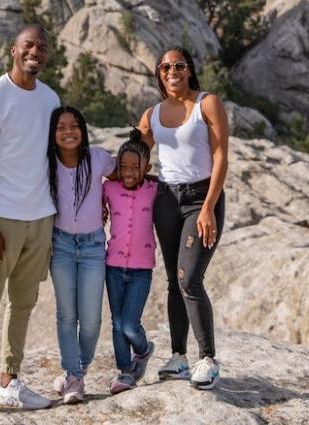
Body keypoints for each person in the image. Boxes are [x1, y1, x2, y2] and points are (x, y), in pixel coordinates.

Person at [0, 25, 60, 413]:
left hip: (40, 218)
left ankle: (10, 381)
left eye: (41, 46)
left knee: (24, 302)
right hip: (1, 217)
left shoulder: (51, 99)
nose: (35, 51)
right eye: (28, 45)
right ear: (13, 51)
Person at [137, 46, 230, 390]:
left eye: (178, 65)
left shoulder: (207, 103)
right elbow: (136, 158)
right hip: (166, 199)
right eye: (165, 68)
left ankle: (208, 358)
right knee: (173, 281)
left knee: (189, 277)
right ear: (158, 74)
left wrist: (208, 207)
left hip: (200, 199)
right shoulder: (152, 114)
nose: (172, 72)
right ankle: (179, 358)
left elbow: (221, 157)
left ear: (189, 70)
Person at [46, 105, 116, 404]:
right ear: (52, 134)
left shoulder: (98, 159)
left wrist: (107, 200)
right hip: (60, 245)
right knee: (66, 315)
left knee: (90, 319)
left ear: (83, 130)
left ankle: (78, 370)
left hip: (92, 247)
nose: (68, 131)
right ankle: (74, 376)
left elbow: (127, 171)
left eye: (74, 125)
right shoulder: (45, 162)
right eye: (61, 127)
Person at [102, 131, 158, 394]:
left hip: (141, 270)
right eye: (122, 166)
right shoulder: (108, 188)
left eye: (135, 167)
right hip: (112, 266)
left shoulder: (155, 189)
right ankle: (125, 372)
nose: (128, 172)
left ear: (145, 167)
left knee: (129, 324)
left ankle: (144, 349)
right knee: (116, 322)